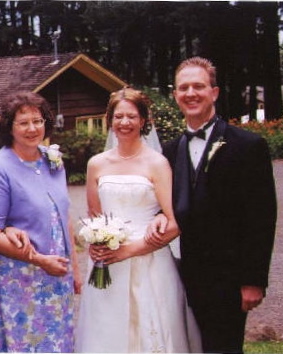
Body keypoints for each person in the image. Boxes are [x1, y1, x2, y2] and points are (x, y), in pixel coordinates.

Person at [153, 57, 277, 353]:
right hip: (184, 276)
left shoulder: (247, 146)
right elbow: (167, 206)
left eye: (198, 86)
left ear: (215, 93)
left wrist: (253, 281)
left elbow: (261, 217)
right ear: (175, 96)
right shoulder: (169, 151)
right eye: (184, 88)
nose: (191, 93)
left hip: (229, 280)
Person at [75, 87, 202, 353]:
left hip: (150, 260)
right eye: (118, 116)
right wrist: (95, 243)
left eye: (131, 116)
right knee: (108, 331)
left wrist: (132, 249)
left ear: (143, 121)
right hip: (108, 263)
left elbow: (174, 221)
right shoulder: (96, 164)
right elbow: (95, 217)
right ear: (110, 120)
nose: (124, 123)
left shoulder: (157, 163)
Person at [0, 91, 81, 352]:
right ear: (9, 127)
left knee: (58, 343)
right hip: (21, 279)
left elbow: (63, 216)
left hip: (57, 274)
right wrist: (39, 260)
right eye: (23, 123)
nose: (32, 128)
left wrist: (75, 270)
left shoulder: (52, 159)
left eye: (37, 121)